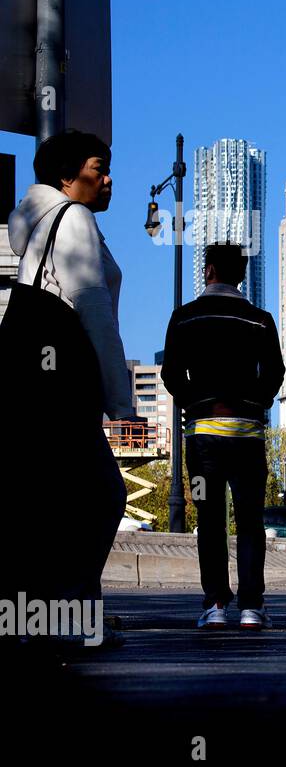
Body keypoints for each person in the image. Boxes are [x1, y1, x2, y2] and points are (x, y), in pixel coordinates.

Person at [4, 129, 136, 650]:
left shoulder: (40, 226)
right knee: (101, 494)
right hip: (61, 386)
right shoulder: (74, 219)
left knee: (46, 498)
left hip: (32, 381)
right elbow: (93, 308)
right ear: (66, 177)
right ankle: (62, 616)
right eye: (98, 168)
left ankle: (48, 614)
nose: (107, 179)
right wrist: (120, 397)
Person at [161, 242, 285, 629]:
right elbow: (276, 372)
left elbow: (169, 374)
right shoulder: (260, 320)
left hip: (202, 439)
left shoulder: (184, 318)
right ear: (241, 274)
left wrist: (194, 401)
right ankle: (251, 606)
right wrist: (255, 402)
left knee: (209, 518)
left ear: (209, 270)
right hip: (247, 436)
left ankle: (215, 604)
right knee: (249, 520)